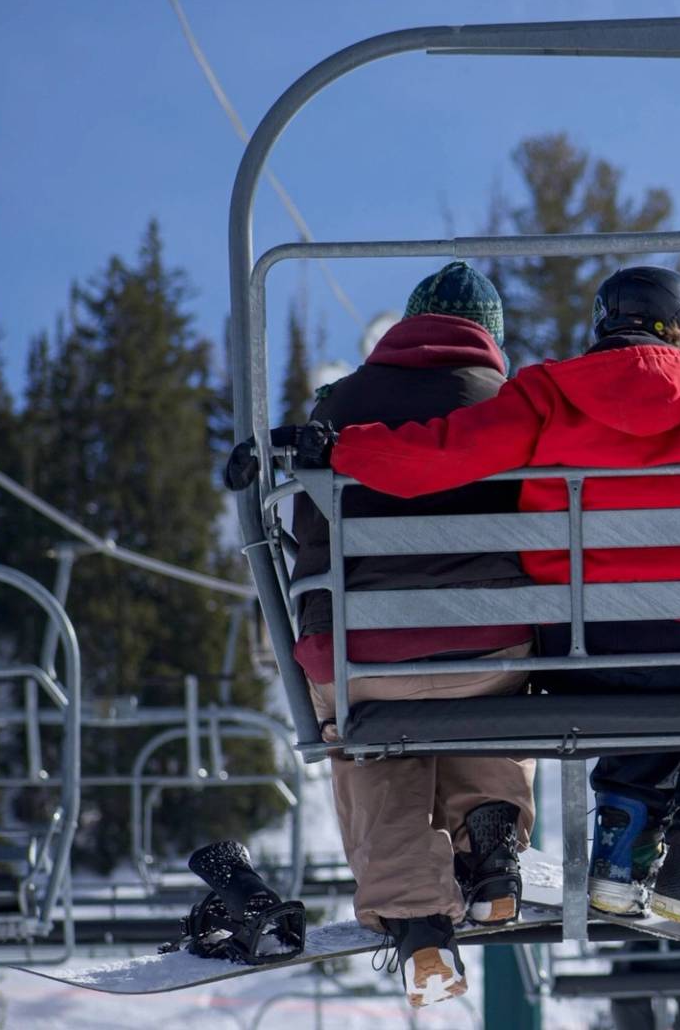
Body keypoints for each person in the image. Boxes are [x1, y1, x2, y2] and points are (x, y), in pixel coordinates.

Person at [327, 265, 680, 926]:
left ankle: (622, 841)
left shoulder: (548, 394)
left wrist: (341, 449)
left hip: (591, 652)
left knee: (643, 679)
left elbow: (437, 457)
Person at [233, 262, 537, 1008]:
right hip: (487, 650)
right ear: (489, 339)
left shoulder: (338, 408)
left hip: (367, 656)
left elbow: (311, 545)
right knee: (488, 704)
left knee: (370, 741)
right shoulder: (514, 405)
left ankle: (416, 923)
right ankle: (489, 847)